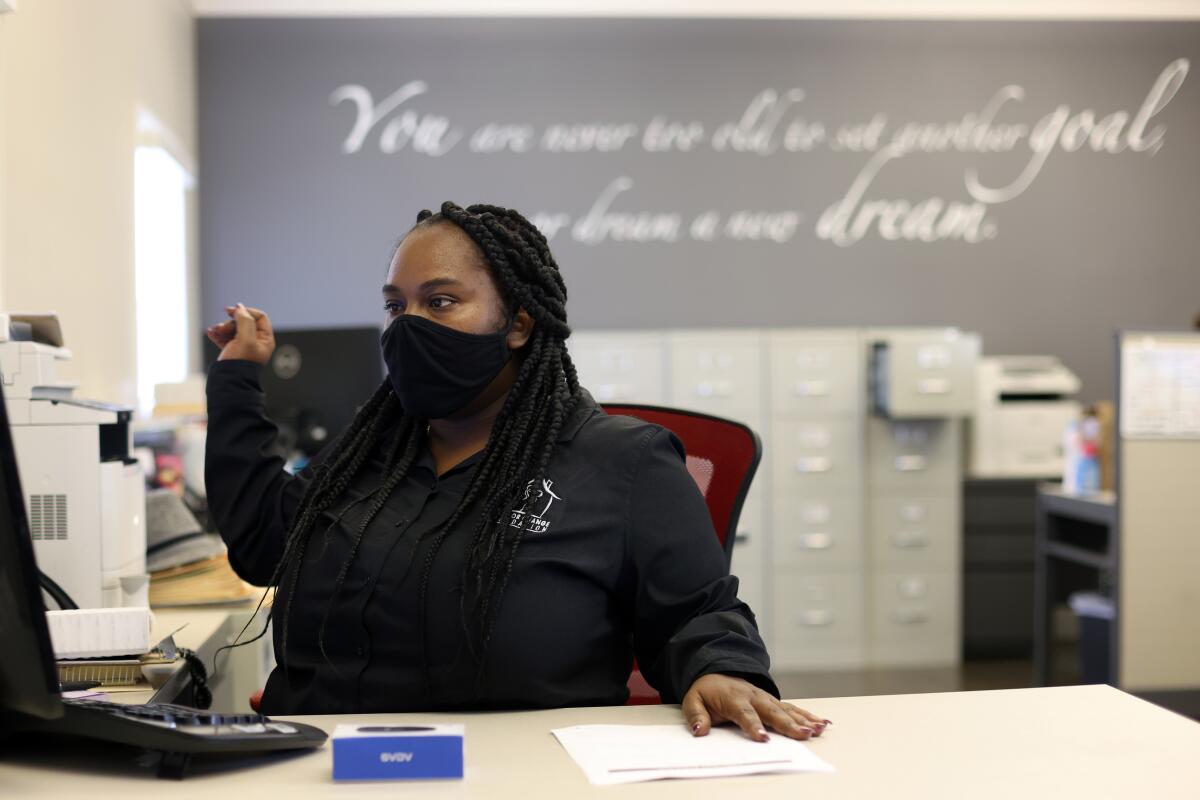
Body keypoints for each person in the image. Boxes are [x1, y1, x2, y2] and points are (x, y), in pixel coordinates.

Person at [204, 202, 827, 742]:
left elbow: (698, 612)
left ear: (519, 324)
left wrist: (718, 668)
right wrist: (236, 378)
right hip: (328, 770)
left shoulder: (623, 462)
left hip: (524, 774)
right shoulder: (369, 456)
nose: (409, 325)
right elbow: (263, 545)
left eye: (441, 301)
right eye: (397, 306)